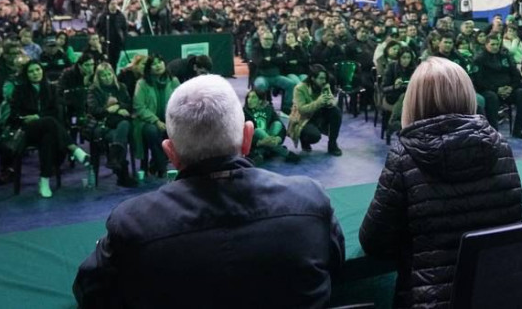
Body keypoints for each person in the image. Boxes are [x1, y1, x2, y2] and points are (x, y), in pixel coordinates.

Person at [73, 75, 345, 308]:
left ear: (171, 154)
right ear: (248, 138)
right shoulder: (311, 199)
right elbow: (335, 265)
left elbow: (90, 291)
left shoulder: (131, 223)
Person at [359, 57, 522, 309]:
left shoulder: (403, 156)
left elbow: (373, 241)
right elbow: (512, 219)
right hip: (499, 292)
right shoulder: (500, 145)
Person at [10, 61, 89, 197]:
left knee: (48, 138)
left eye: (38, 70)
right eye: (31, 71)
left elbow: (56, 112)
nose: (35, 73)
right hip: (27, 129)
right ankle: (74, 149)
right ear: (26, 74)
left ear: (42, 71)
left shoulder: (51, 89)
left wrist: (38, 116)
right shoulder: (20, 90)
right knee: (49, 122)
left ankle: (44, 180)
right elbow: (14, 115)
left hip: (48, 129)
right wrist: (26, 118)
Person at [87, 63, 138, 188]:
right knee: (121, 132)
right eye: (103, 75)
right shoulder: (93, 90)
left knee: (123, 126)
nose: (107, 77)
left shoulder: (121, 87)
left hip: (119, 123)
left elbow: (129, 105)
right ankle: (123, 175)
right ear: (98, 77)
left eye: (109, 74)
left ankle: (115, 159)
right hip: (103, 124)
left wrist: (119, 106)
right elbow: (94, 110)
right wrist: (109, 109)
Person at [472, 32, 522, 139]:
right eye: (492, 44)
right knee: (491, 97)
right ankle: (494, 133)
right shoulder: (479, 59)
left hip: (508, 89)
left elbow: (516, 76)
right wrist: (496, 89)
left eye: (497, 44)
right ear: (486, 45)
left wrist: (511, 87)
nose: (495, 47)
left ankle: (518, 130)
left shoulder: (505, 56)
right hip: (490, 90)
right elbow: (478, 81)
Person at [134, 56, 180, 177]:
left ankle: (156, 164)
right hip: (147, 121)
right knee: (152, 132)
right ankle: (162, 167)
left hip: (169, 119)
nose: (158, 65)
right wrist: (155, 121)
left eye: (160, 62)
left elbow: (180, 101)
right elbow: (139, 107)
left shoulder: (173, 80)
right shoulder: (142, 83)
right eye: (154, 64)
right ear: (149, 68)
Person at [287, 65, 342, 156]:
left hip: (318, 115)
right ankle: (304, 139)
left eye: (325, 78)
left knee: (336, 112)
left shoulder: (325, 85)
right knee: (314, 136)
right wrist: (319, 102)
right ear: (312, 78)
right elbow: (302, 110)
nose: (324, 81)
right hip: (303, 119)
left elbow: (332, 99)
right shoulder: (300, 88)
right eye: (321, 78)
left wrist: (331, 102)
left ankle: (332, 145)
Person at [95, 0, 128, 66]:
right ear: (108, 5)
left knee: (115, 61)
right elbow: (98, 28)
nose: (114, 5)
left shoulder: (121, 16)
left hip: (117, 43)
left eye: (115, 4)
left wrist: (123, 37)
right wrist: (100, 36)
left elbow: (125, 28)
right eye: (112, 4)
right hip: (106, 43)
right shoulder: (103, 16)